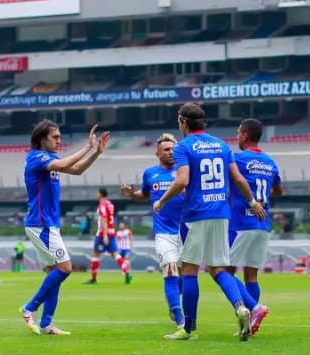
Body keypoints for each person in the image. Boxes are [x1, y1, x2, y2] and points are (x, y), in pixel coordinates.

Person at [153, 102, 267, 341]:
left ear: (183, 122)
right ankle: (240, 306)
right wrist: (252, 202)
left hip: (196, 215)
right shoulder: (221, 145)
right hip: (221, 214)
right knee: (219, 268)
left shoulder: (183, 147)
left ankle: (188, 328)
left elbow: (182, 180)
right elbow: (237, 178)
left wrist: (162, 200)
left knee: (189, 270)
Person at [19, 121, 110, 336]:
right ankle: (28, 307)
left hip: (47, 224)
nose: (59, 141)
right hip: (41, 224)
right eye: (55, 137)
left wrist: (96, 153)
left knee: (55, 274)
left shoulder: (49, 159)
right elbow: (61, 166)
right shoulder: (36, 158)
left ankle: (46, 324)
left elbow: (77, 170)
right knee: (65, 268)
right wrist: (87, 147)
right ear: (42, 139)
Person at [121, 133, 187, 328]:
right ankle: (178, 315)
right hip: (164, 232)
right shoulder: (150, 173)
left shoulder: (185, 172)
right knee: (170, 271)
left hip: (187, 231)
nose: (171, 152)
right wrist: (132, 194)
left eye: (174, 148)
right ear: (157, 153)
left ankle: (175, 302)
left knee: (185, 275)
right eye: (166, 149)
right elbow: (145, 194)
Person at [227, 118, 282, 331]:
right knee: (251, 275)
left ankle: (254, 307)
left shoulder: (237, 158)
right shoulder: (270, 162)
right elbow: (278, 190)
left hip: (241, 221)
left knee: (224, 272)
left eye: (238, 133)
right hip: (262, 223)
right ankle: (250, 323)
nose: (236, 136)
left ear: (244, 135)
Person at [85, 188, 132, 285]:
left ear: (101, 194)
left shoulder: (102, 205)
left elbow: (104, 219)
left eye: (97, 192)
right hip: (112, 231)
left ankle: (93, 279)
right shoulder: (110, 204)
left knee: (96, 254)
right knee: (115, 254)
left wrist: (105, 235)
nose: (96, 194)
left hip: (103, 233)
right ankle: (126, 271)